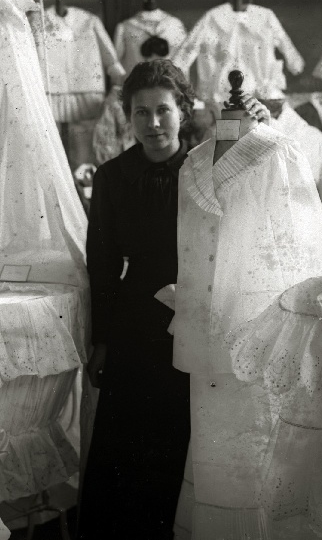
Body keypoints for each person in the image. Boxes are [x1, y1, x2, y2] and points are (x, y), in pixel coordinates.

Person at [79, 59, 268, 538]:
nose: (153, 123)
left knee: (185, 436)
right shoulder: (112, 177)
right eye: (140, 113)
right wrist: (102, 342)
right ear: (128, 117)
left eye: (163, 110)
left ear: (183, 111)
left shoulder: (206, 168)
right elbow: (102, 266)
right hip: (135, 322)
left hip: (199, 313)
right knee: (128, 447)